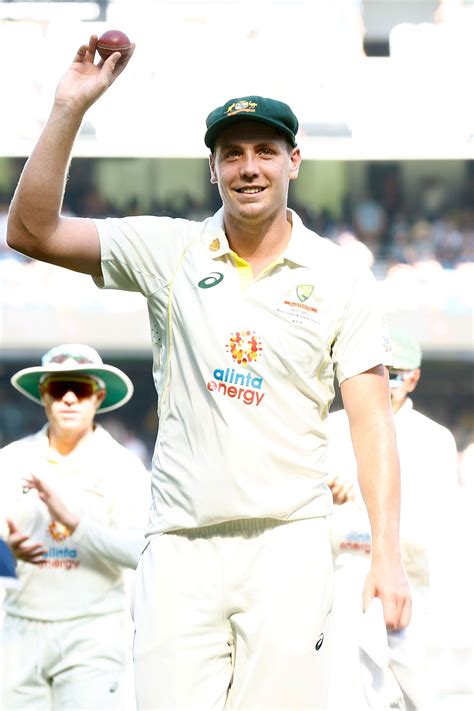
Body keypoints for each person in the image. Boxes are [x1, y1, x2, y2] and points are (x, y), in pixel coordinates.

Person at [6, 35, 411, 710]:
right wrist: (68, 109)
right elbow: (32, 231)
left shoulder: (341, 276)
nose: (248, 167)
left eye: (264, 151)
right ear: (213, 169)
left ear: (294, 161)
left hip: (288, 545)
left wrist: (387, 553)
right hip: (180, 548)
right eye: (232, 153)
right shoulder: (170, 250)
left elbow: (371, 421)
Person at [0, 343, 150, 710]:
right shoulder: (11, 459)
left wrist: (75, 525)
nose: (68, 399)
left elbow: (140, 553)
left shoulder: (123, 467)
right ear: (42, 394)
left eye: (80, 389)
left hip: (92, 633)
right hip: (20, 632)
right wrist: (6, 550)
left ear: (98, 396)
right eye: (57, 388)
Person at [326, 330, 459, 710]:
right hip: (341, 581)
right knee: (340, 697)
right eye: (377, 371)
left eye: (395, 374)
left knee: (413, 698)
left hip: (405, 589)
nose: (385, 382)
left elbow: (435, 529)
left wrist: (369, 519)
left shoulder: (434, 439)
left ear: (414, 377)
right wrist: (331, 500)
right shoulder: (332, 427)